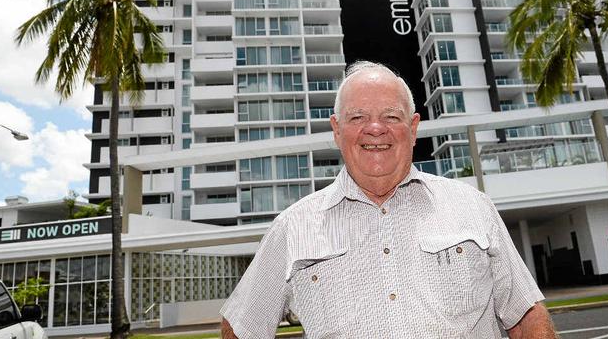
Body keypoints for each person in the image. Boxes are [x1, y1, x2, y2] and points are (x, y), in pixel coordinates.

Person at [220, 61, 556, 338]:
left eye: (391, 117)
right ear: (337, 130)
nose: (376, 128)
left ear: (413, 128)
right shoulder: (292, 228)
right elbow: (240, 327)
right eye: (358, 117)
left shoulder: (473, 207)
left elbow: (526, 315)